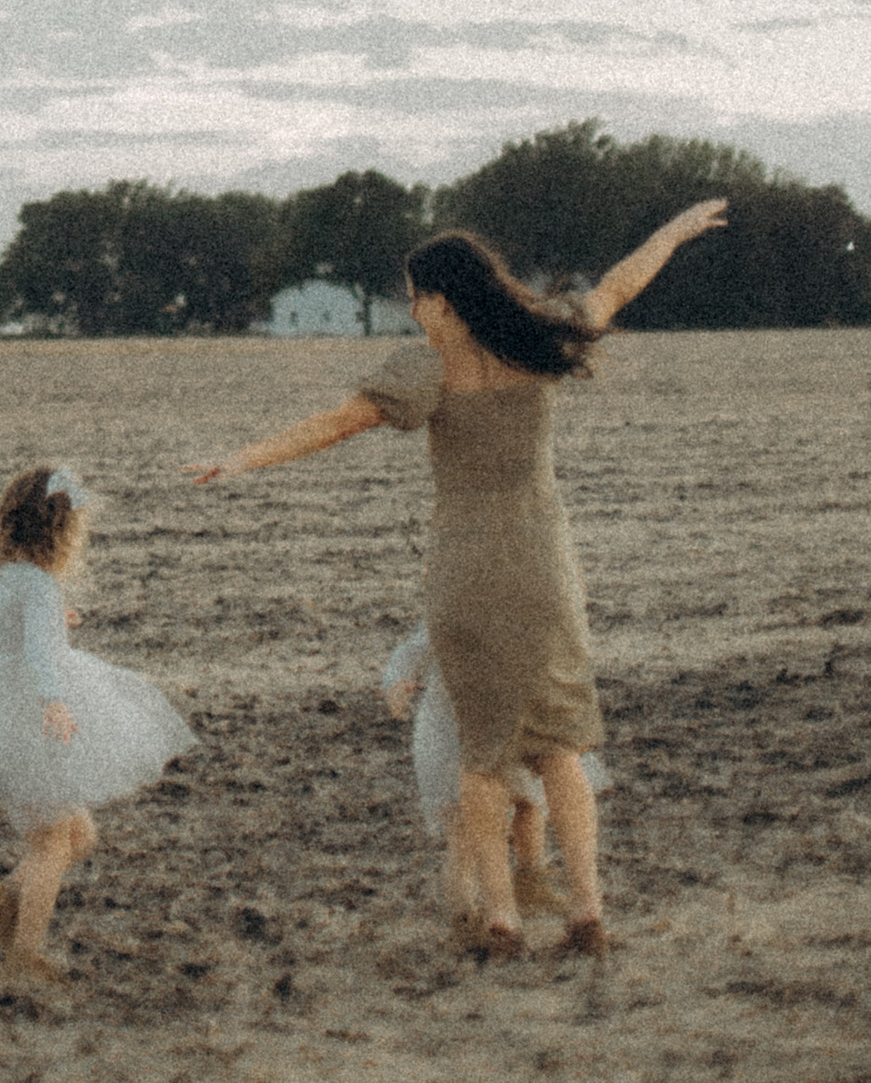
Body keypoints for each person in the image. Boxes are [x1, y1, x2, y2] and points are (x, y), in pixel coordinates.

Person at [192, 199, 727, 958]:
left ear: (442, 300)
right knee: (560, 749)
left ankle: (502, 918)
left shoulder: (428, 368)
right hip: (542, 565)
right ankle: (588, 911)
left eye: (416, 298)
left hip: (467, 574)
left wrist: (242, 458)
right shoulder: (536, 337)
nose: (412, 312)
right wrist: (671, 233)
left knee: (483, 754)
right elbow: (617, 286)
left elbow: (334, 425)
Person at [0, 462, 195, 990]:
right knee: (53, 843)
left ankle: (2, 900)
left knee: (79, 835)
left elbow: (12, 633)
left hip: (2, 709)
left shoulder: (5, 578)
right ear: (60, 531)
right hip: (30, 713)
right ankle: (24, 957)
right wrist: (54, 701)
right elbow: (37, 654)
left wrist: (55, 619)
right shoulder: (39, 587)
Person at [381, 621, 602, 912]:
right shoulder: (450, 614)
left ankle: (530, 881)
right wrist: (396, 683)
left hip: (510, 727)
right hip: (449, 736)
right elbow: (410, 652)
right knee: (462, 834)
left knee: (528, 805)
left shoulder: (519, 616)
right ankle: (465, 915)